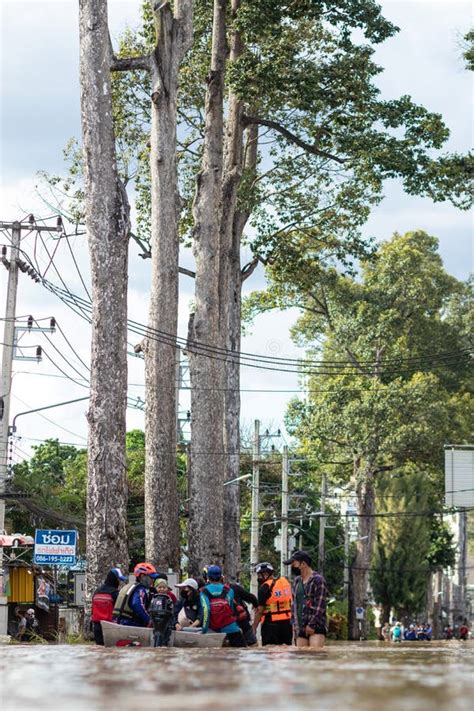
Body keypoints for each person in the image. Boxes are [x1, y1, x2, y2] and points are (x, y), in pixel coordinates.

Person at [285, 550, 327, 650]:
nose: (292, 567)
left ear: (303, 564)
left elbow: (320, 606)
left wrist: (312, 624)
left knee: (315, 655)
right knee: (301, 659)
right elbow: (295, 604)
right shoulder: (297, 581)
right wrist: (294, 624)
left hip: (316, 626)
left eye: (294, 564)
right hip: (300, 626)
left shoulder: (318, 580)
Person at [200, 565, 247, 647]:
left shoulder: (203, 591)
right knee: (240, 652)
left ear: (208, 577)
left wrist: (204, 629)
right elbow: (230, 609)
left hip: (212, 630)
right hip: (230, 628)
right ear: (221, 577)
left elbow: (206, 610)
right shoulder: (229, 590)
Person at [252, 562, 292, 646]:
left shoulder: (264, 588)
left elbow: (260, 611)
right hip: (287, 625)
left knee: (269, 652)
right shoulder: (285, 582)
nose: (258, 578)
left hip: (270, 625)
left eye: (259, 575)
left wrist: (254, 627)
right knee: (286, 652)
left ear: (266, 575)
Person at [113, 562, 158, 627]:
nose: (152, 580)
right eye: (151, 577)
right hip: (129, 623)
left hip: (118, 621)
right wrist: (149, 620)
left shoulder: (129, 586)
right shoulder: (140, 589)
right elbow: (137, 604)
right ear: (142, 576)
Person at [91, 567, 128, 645]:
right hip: (110, 627)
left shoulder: (97, 591)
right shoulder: (115, 593)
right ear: (114, 579)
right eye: (118, 580)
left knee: (99, 650)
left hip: (97, 627)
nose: (119, 582)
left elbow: (92, 609)